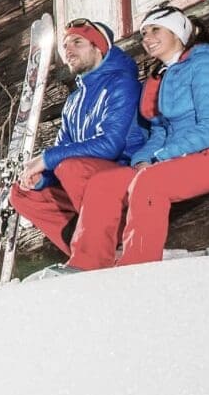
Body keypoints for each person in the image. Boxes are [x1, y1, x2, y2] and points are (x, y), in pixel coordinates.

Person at [67, 5, 209, 269]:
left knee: (150, 182)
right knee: (104, 183)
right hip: (173, 159)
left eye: (155, 30)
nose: (147, 38)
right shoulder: (161, 74)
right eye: (144, 33)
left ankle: (136, 267)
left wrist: (160, 157)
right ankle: (86, 264)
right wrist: (143, 158)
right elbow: (160, 130)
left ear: (178, 31)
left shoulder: (206, 62)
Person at [8, 19, 145, 267]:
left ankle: (99, 250)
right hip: (86, 183)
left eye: (77, 42)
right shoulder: (74, 100)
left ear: (99, 47)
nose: (68, 50)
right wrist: (42, 179)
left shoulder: (122, 84)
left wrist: (47, 159)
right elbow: (63, 148)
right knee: (21, 194)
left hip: (126, 178)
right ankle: (87, 247)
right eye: (65, 45)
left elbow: (110, 145)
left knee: (69, 166)